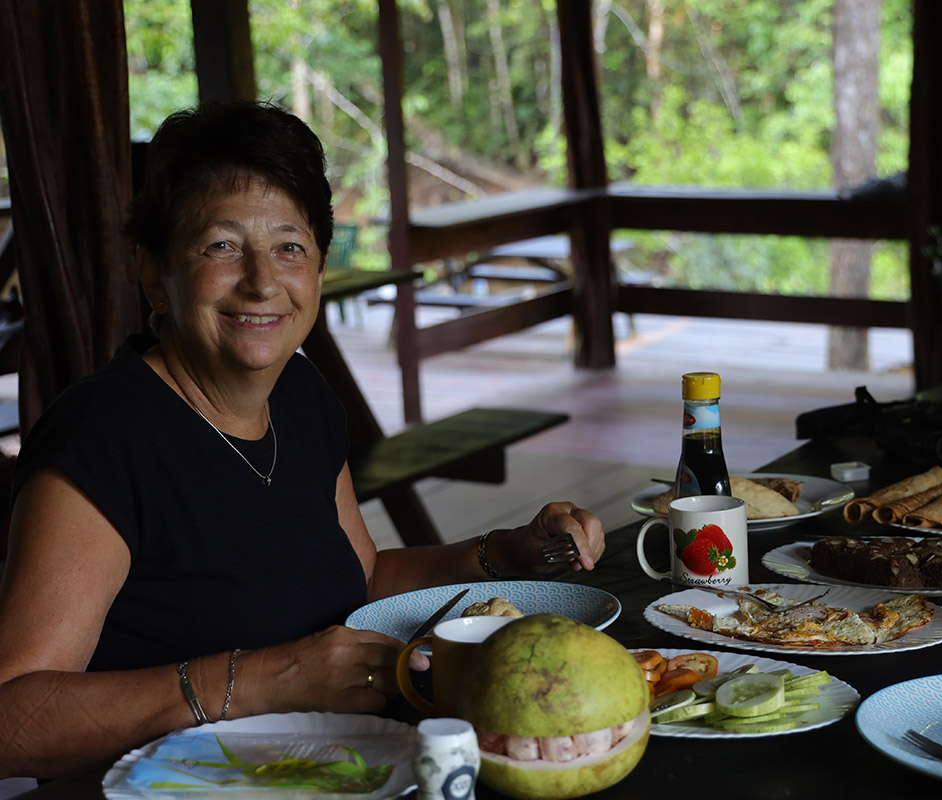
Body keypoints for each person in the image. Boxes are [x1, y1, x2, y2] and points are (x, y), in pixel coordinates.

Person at [0, 101, 605, 780]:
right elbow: (10, 717)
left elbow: (362, 579)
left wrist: (505, 552)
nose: (263, 280)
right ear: (153, 275)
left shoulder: (301, 394)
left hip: (335, 770)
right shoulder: (105, 438)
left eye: (289, 247)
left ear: (317, 271)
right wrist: (260, 679)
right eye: (221, 246)